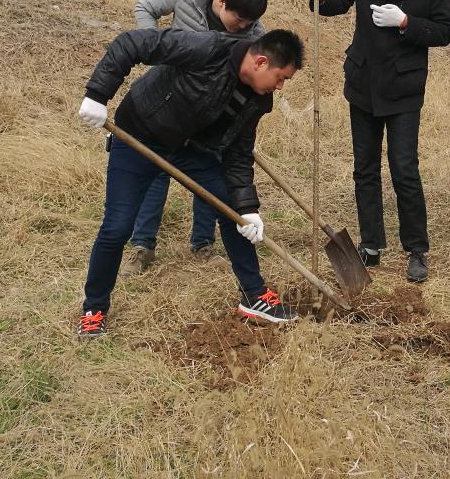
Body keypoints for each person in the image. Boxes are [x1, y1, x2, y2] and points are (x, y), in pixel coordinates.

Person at [76, 27, 303, 336]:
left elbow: (238, 153)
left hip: (188, 147)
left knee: (231, 211)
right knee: (117, 226)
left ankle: (255, 297)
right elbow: (133, 42)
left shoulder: (258, 100)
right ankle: (94, 310)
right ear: (261, 62)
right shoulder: (208, 49)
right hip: (139, 135)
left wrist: (247, 207)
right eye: (281, 78)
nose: (280, 87)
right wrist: (98, 95)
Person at [305, 0, 450, 283]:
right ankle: (370, 245)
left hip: (403, 89)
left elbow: (445, 30)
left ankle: (417, 249)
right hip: (363, 83)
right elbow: (335, 3)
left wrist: (406, 23)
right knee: (364, 168)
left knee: (404, 168)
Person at [122, 0, 268, 275]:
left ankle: (203, 244)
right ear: (220, 0)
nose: (242, 27)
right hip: (169, 103)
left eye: (248, 23)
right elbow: (144, 7)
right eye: (238, 20)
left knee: (211, 170)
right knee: (157, 169)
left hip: (211, 110)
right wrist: (157, 52)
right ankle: (142, 246)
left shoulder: (253, 28)